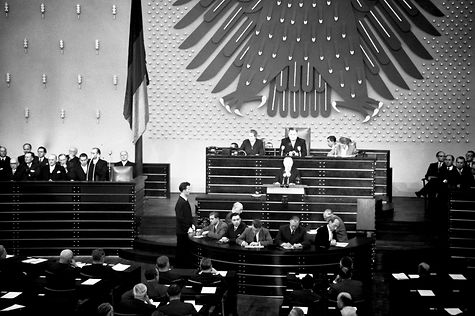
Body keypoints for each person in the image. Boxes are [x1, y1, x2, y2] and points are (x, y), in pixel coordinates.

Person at [175, 182, 194, 267]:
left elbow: (188, 215)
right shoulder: (180, 202)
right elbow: (180, 218)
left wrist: (191, 224)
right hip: (182, 231)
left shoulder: (185, 200)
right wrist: (188, 227)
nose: (190, 191)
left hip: (185, 229)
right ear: (183, 190)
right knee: (181, 250)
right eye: (188, 189)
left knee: (185, 249)